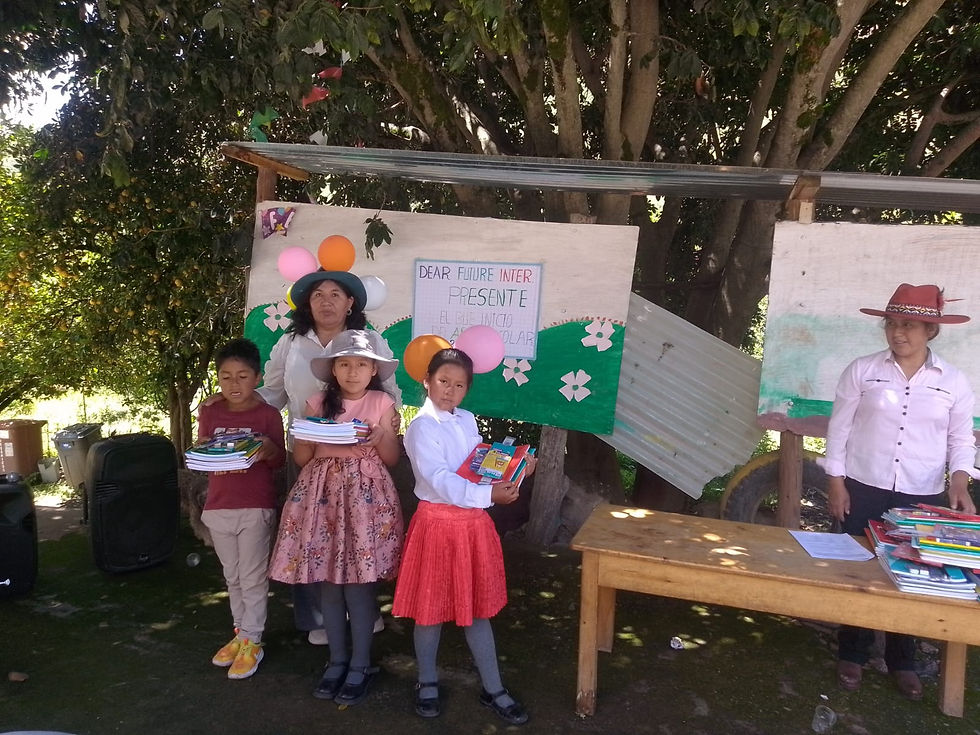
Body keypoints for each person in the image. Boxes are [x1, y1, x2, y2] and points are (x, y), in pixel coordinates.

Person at [824, 283, 977, 701]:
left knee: (915, 577)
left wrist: (959, 479)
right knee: (858, 569)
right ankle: (852, 651)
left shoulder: (954, 382)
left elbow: (961, 440)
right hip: (862, 485)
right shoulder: (863, 370)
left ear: (931, 330)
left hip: (921, 496)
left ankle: (903, 660)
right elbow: (838, 430)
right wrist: (836, 482)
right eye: (891, 324)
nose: (897, 333)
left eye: (908, 325)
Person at [392, 348, 534, 725]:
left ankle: (494, 687)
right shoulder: (422, 428)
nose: (450, 391)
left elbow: (479, 465)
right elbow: (442, 480)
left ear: (467, 389)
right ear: (426, 381)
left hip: (472, 525)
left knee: (477, 611)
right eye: (443, 382)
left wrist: (516, 468)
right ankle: (426, 681)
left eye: (459, 385)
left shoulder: (467, 420)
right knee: (429, 612)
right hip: (437, 525)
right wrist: (491, 495)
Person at [259, 269, 399, 644]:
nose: (326, 301)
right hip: (309, 457)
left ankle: (364, 614)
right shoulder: (291, 342)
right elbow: (271, 392)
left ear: (351, 302)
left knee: (359, 536)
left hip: (362, 460)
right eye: (318, 294)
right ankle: (317, 620)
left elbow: (390, 396)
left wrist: (383, 429)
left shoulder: (370, 341)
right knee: (311, 535)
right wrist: (233, 406)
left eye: (335, 294)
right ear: (307, 302)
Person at [268, 330, 404, 705]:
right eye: (344, 364)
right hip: (321, 499)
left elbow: (392, 459)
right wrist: (306, 437)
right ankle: (337, 660)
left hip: (365, 503)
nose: (352, 371)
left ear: (373, 370)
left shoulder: (382, 403)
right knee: (328, 583)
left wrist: (380, 436)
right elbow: (302, 459)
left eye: (361, 364)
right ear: (333, 370)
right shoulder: (316, 402)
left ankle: (360, 664)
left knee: (358, 586)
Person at [197, 338, 286, 680]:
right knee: (232, 576)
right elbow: (205, 455)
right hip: (218, 506)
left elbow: (278, 460)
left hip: (255, 506)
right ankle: (240, 633)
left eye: (243, 376)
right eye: (226, 377)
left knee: (251, 577)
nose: (234, 384)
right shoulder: (210, 412)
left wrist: (267, 449)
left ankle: (253, 641)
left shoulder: (267, 414)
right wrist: (204, 449)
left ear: (258, 377)